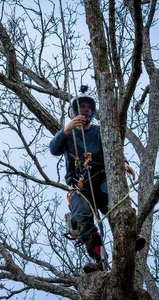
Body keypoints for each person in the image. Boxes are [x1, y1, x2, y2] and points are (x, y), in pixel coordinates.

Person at [49, 93, 145, 272]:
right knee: (81, 216)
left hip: (101, 178)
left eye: (88, 108)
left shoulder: (99, 131)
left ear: (92, 112)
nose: (85, 110)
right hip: (80, 185)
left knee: (116, 203)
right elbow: (54, 149)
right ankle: (99, 259)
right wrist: (68, 128)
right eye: (82, 107)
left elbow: (113, 148)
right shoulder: (69, 134)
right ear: (75, 111)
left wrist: (124, 163)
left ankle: (129, 240)